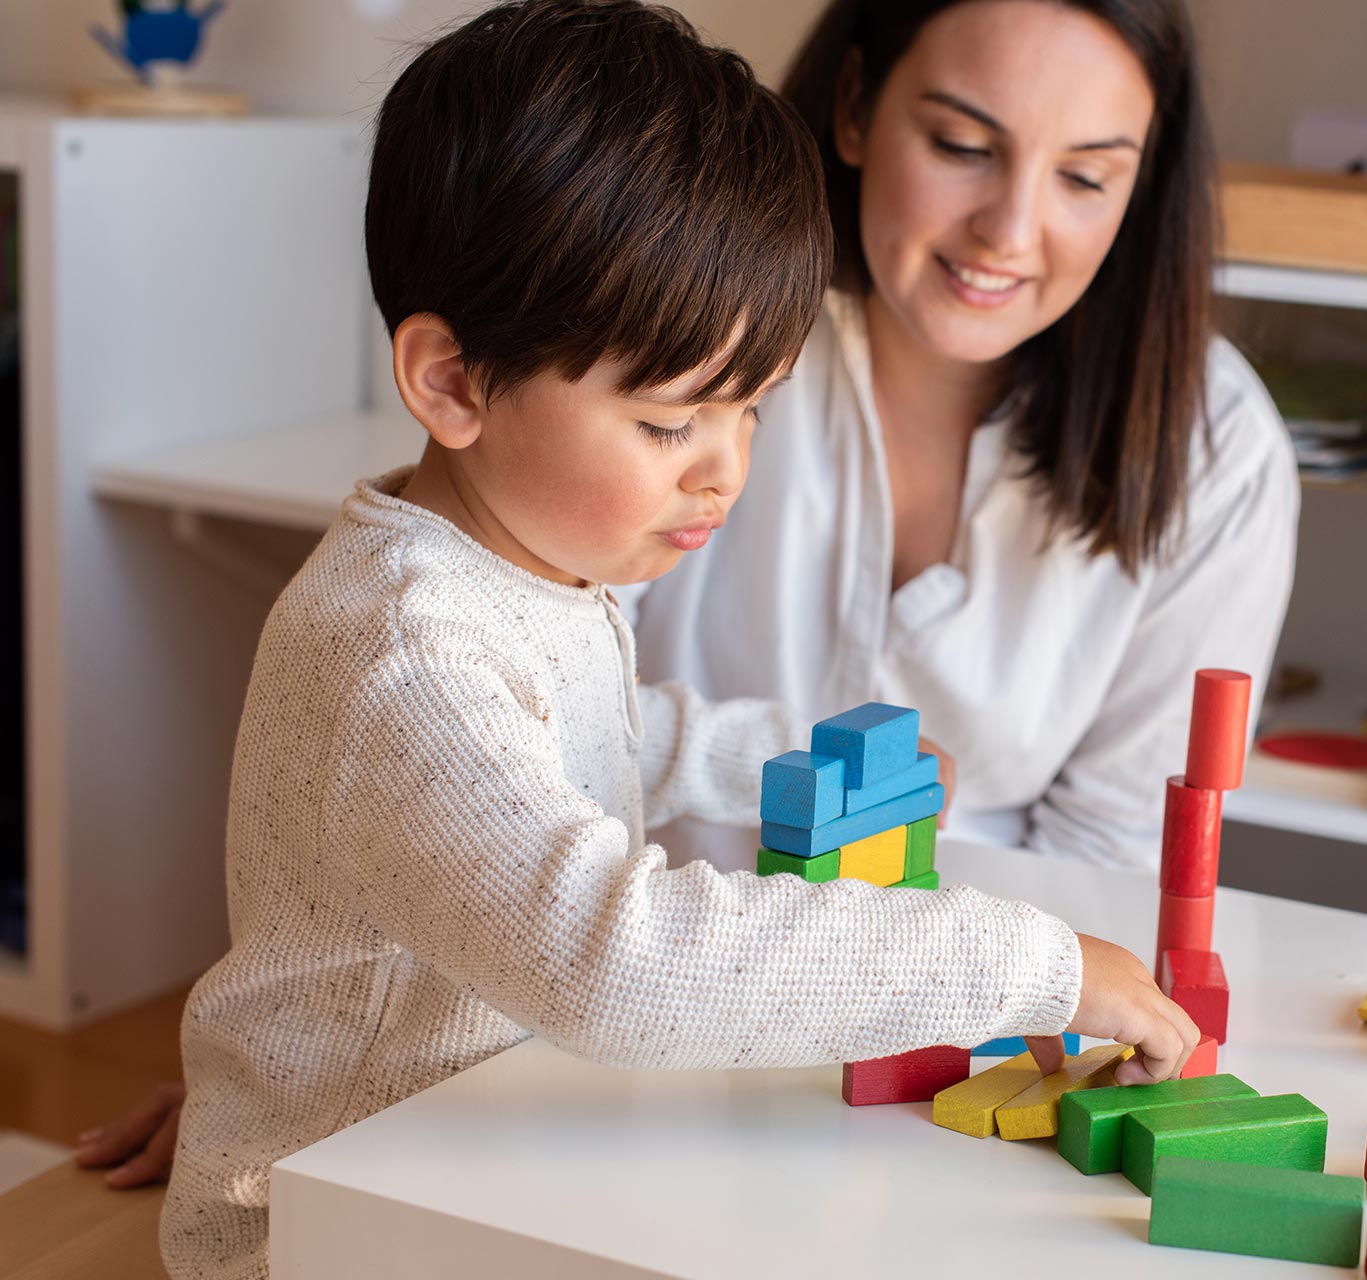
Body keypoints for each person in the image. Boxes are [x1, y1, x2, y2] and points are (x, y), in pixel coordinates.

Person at [148, 5, 1197, 1275]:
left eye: (752, 409)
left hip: (479, 1157)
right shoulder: (405, 652)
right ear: (453, 382)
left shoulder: (519, 566)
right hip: (320, 1226)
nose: (724, 472)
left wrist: (785, 760)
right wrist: (1021, 964)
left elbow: (601, 733)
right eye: (670, 424)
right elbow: (611, 954)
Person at [628, 0, 1299, 873]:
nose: (1010, 232)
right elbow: (547, 696)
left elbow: (1112, 850)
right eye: (963, 148)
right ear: (857, 105)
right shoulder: (683, 317)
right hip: (647, 957)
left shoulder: (1218, 447)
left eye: (1085, 179)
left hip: (983, 985)